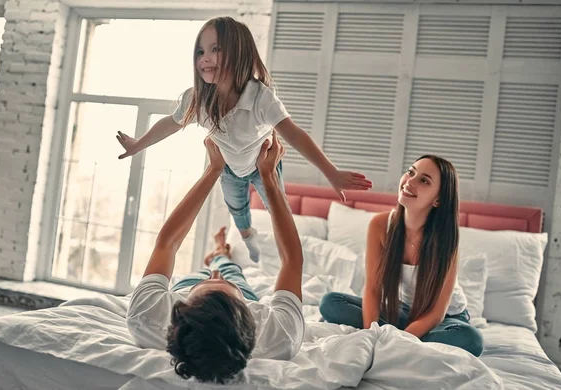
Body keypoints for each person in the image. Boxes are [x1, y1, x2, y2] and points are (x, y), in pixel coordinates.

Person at [115, 16, 372, 263]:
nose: (205, 59)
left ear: (238, 53)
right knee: (237, 211)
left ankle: (289, 260)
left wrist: (330, 172)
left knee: (279, 212)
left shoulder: (260, 97)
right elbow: (170, 123)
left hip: (263, 166)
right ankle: (249, 238)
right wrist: (138, 144)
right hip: (228, 168)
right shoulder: (197, 99)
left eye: (215, 49)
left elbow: (294, 133)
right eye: (200, 52)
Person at [127, 132, 306, 384]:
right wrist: (268, 177)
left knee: (219, 272)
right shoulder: (280, 336)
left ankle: (219, 257)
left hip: (186, 288)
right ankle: (222, 256)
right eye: (218, 284)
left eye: (207, 284)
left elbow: (167, 243)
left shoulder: (146, 316)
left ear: (177, 310)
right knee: (231, 272)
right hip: (240, 294)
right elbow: (293, 260)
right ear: (250, 317)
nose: (214, 278)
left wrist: (213, 170)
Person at [319, 155, 484, 357]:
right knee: (331, 303)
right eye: (410, 172)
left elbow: (436, 313)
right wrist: (371, 333)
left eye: (424, 180)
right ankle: (399, 339)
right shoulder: (380, 225)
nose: (410, 181)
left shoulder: (446, 238)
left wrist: (396, 340)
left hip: (445, 319)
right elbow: (372, 289)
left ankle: (393, 338)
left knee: (471, 339)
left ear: (438, 199)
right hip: (402, 312)